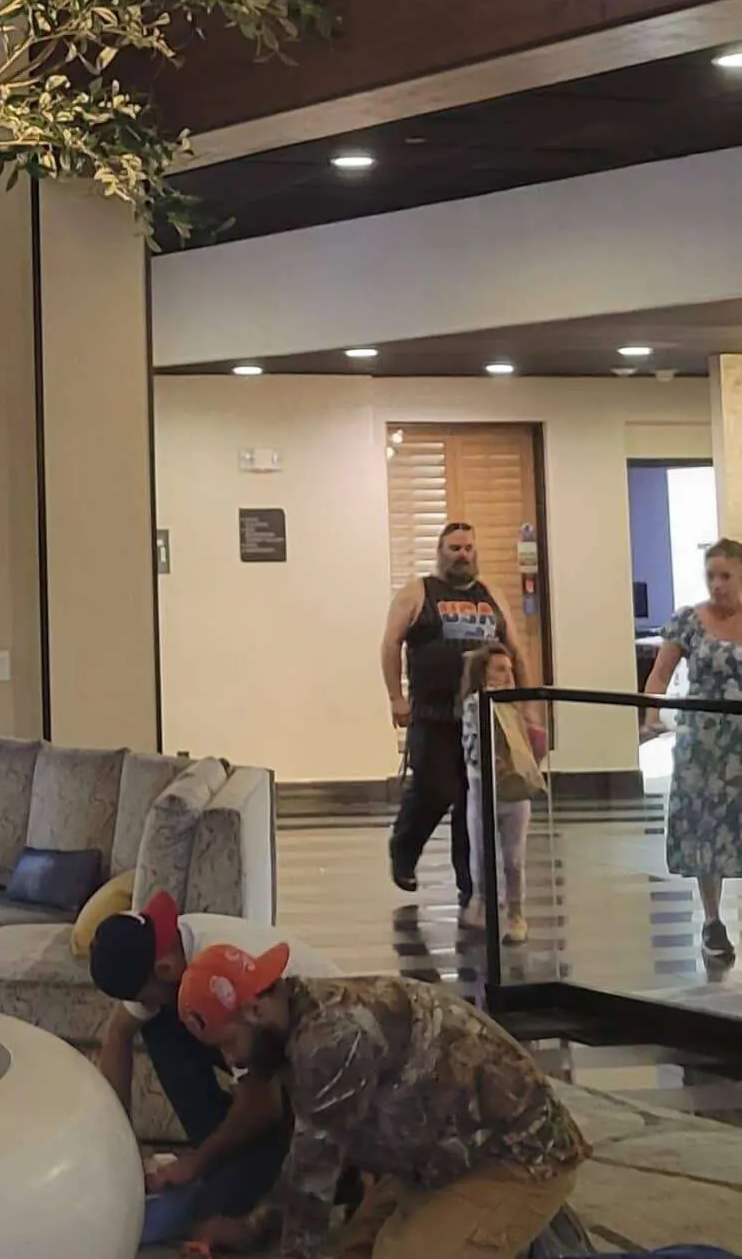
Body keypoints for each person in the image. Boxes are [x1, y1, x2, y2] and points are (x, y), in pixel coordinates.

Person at [177, 942, 588, 1259]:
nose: (233, 1060)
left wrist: (260, 1232)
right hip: (445, 1158)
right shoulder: (296, 1022)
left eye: (229, 1043)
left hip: (520, 1158)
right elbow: (306, 1166)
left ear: (253, 1010)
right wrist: (254, 1226)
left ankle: (526, 1239)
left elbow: (312, 1193)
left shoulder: (328, 1039)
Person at [89, 893, 340, 1249]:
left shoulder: (219, 974)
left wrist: (195, 1163)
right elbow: (117, 1033)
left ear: (163, 970)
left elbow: (264, 1108)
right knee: (158, 1024)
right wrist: (120, 1150)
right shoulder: (163, 948)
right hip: (277, 1075)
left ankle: (256, 1171)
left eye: (146, 995)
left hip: (327, 1081)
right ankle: (234, 1159)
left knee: (218, 1209)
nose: (227, 1058)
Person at [381, 519, 524, 907]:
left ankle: (470, 882)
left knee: (472, 799)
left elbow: (514, 649)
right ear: (440, 553)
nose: (462, 555)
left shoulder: (490, 594)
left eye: (468, 548)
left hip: (481, 715)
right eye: (454, 548)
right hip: (432, 712)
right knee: (434, 787)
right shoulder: (418, 592)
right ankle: (404, 850)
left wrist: (524, 708)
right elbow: (391, 643)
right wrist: (397, 697)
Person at [643, 534, 742, 960]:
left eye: (726, 576)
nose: (717, 584)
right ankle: (712, 920)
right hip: (702, 742)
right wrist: (649, 715)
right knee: (707, 829)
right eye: (710, 576)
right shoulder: (688, 620)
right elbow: (660, 674)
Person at [458, 642, 543, 945]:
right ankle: (483, 904)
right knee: (482, 853)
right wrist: (486, 757)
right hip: (484, 787)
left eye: (510, 670)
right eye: (499, 669)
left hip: (514, 789)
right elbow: (470, 741)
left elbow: (532, 746)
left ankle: (517, 913)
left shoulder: (518, 706)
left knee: (514, 856)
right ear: (483, 674)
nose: (508, 676)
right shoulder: (474, 705)